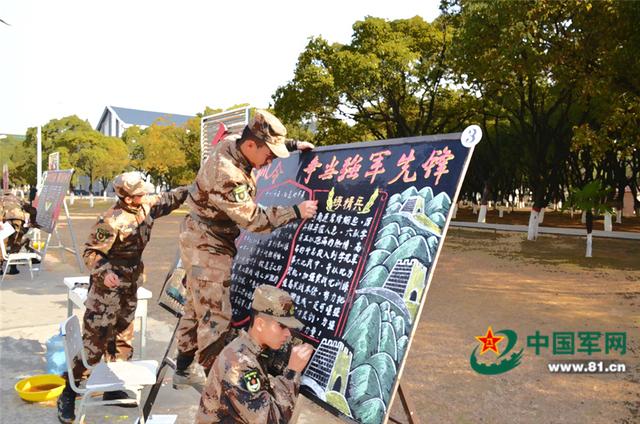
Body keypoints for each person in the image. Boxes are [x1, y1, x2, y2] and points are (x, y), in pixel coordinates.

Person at [173, 110, 318, 387]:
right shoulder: (228, 173)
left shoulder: (233, 142)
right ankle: (221, 389)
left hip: (199, 238)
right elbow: (254, 220)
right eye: (270, 153)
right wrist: (296, 212)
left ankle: (182, 367)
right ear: (251, 145)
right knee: (215, 317)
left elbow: (262, 142)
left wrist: (291, 146)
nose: (271, 160)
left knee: (195, 304)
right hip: (207, 246)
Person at [57, 172, 189, 424]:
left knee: (122, 340)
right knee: (93, 347)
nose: (145, 196)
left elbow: (171, 198)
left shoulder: (145, 206)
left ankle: (113, 386)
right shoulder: (111, 221)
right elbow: (91, 252)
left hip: (130, 286)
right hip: (105, 293)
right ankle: (69, 393)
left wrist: (197, 185)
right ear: (126, 197)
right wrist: (104, 272)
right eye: (139, 193)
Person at [196, 284, 314, 423]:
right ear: (260, 324)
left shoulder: (249, 348)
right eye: (282, 326)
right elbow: (273, 420)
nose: (288, 334)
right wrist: (292, 373)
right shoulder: (239, 365)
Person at [0, 188, 38, 274]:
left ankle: (0, 267)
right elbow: (32, 210)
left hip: (7, 220)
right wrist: (33, 221)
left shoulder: (1, 198)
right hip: (19, 220)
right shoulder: (18, 199)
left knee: (3, 242)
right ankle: (13, 267)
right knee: (16, 241)